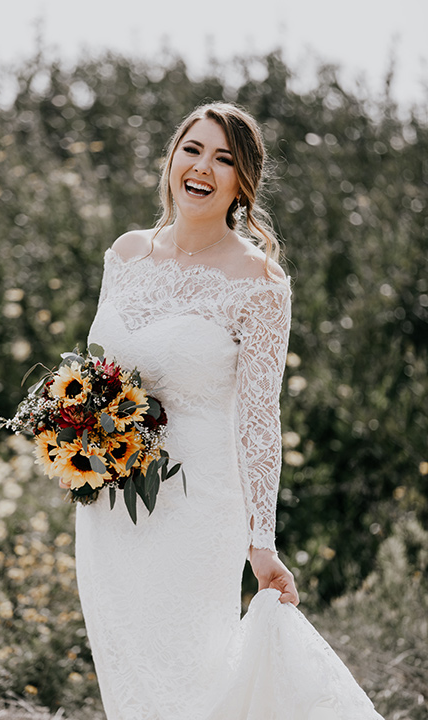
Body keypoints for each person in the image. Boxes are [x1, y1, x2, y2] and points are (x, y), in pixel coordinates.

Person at [74, 102, 384, 720]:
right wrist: (71, 428)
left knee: (191, 675)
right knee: (129, 669)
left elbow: (259, 418)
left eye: (224, 159)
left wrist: (261, 542)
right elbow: (97, 373)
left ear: (243, 182)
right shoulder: (125, 254)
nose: (203, 168)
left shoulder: (259, 281)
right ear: (172, 159)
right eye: (193, 150)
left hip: (198, 510)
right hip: (111, 506)